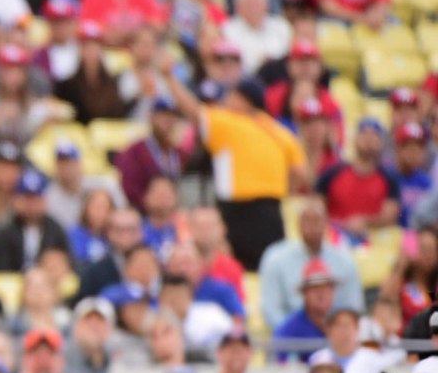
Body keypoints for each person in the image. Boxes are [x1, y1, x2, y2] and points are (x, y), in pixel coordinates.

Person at [169, 75, 308, 270]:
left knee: (230, 271)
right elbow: (301, 173)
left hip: (236, 212)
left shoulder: (230, 123)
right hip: (272, 213)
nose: (226, 101)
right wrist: (284, 189)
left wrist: (170, 78)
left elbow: (194, 112)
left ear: (245, 101)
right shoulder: (282, 133)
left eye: (231, 96)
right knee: (268, 272)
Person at [258, 199, 363, 330]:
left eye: (318, 220)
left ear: (327, 223)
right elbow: (271, 310)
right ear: (298, 224)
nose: (313, 226)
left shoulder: (345, 261)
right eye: (308, 220)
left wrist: (334, 333)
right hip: (291, 339)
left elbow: (353, 307)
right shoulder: (275, 258)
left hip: (336, 337)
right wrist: (294, 332)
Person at [315, 119, 400, 240]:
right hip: (335, 239)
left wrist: (365, 222)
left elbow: (390, 215)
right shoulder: (333, 173)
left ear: (381, 143)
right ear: (355, 139)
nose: (369, 139)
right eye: (364, 134)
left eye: (374, 136)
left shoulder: (389, 178)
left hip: (373, 243)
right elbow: (317, 205)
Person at [53, 21, 128, 123]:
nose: (90, 51)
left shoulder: (113, 83)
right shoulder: (67, 85)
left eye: (95, 45)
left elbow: (119, 113)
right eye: (85, 46)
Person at [221, 0, 292, 75]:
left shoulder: (281, 26)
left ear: (267, 5)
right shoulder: (227, 29)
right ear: (237, 6)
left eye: (257, 2)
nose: (254, 8)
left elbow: (288, 56)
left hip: (279, 79)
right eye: (249, 3)